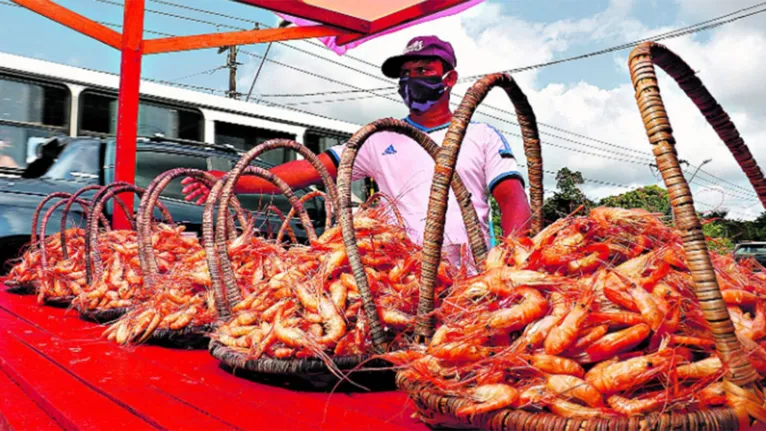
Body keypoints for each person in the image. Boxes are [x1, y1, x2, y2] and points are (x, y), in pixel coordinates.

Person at [182, 36, 531, 265]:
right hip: (402, 273)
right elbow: (303, 172)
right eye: (406, 74)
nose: (412, 80)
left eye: (423, 70)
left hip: (471, 274)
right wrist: (229, 181)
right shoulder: (378, 138)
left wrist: (511, 258)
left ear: (449, 79)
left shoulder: (482, 135)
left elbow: (513, 199)